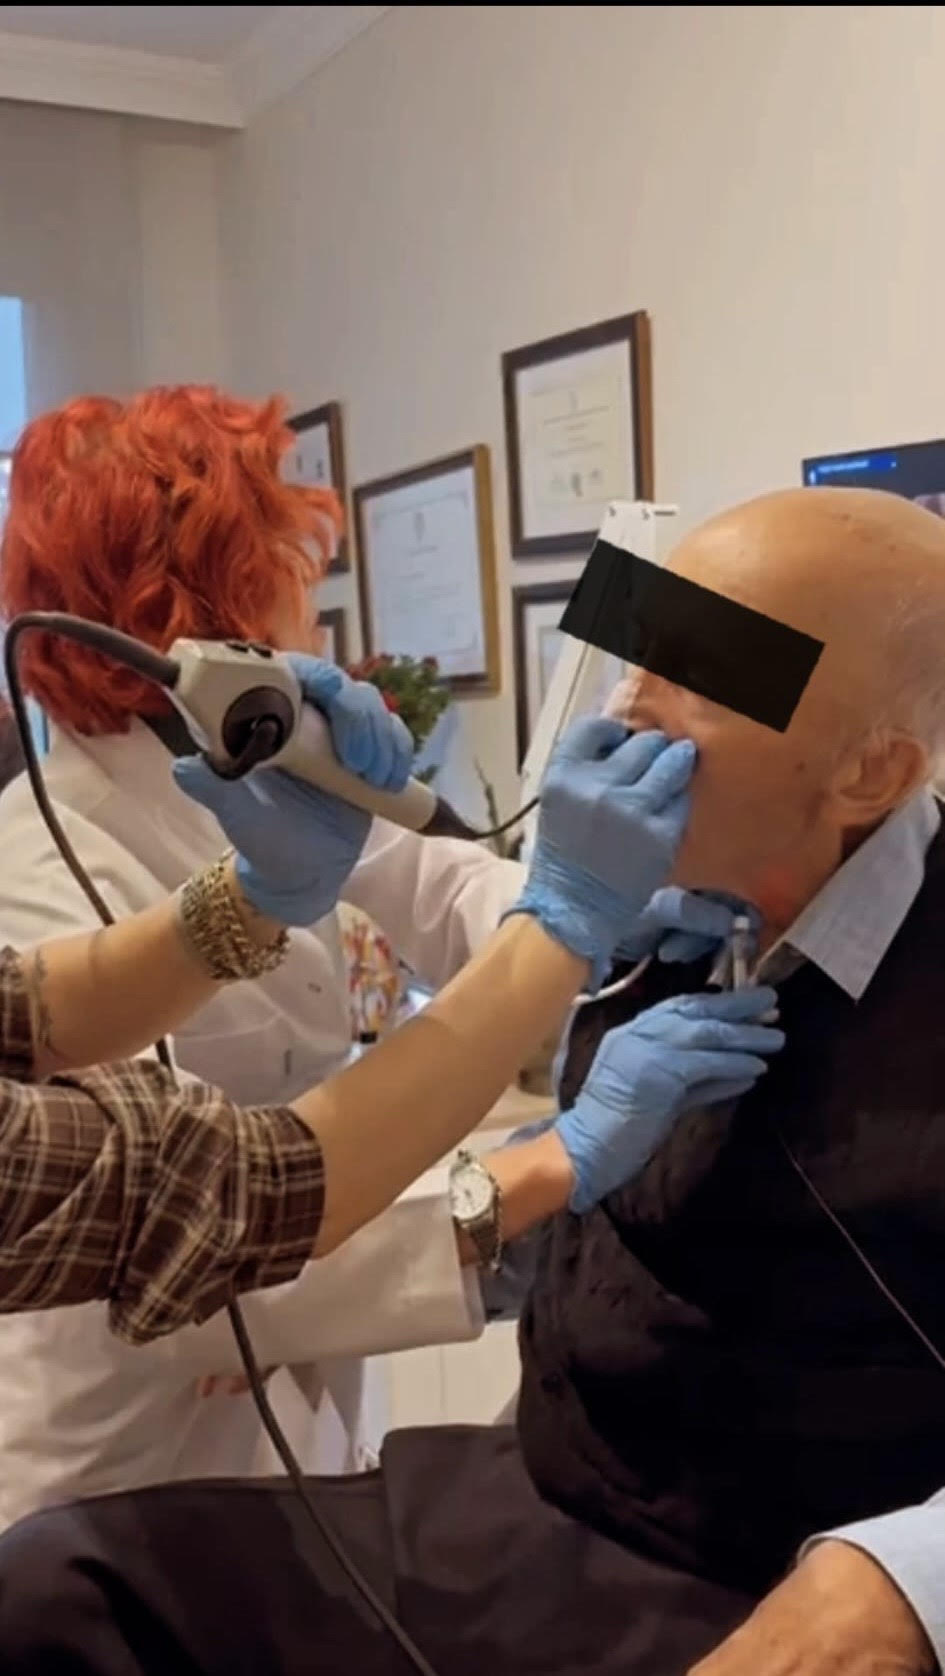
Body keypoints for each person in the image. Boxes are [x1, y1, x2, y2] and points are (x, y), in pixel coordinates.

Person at [1, 483, 941, 1676]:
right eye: (638, 655)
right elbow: (209, 1195)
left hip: (763, 1570)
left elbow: (447, 893)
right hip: (518, 1497)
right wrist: (557, 957)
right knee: (54, 1588)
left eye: (701, 675)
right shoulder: (651, 929)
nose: (623, 711)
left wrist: (904, 1581)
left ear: (872, 773)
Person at [0, 385, 770, 1522]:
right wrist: (541, 1163)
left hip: (290, 1414)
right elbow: (196, 1231)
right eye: (296, 586)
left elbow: (440, 882)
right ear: (209, 608)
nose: (315, 628)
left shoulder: (255, 774)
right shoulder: (42, 865)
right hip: (119, 1461)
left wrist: (614, 914)